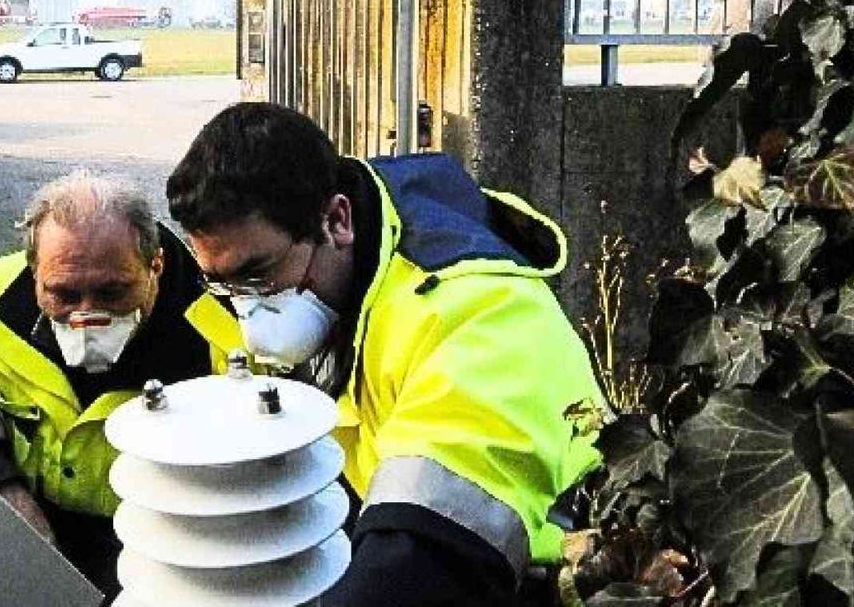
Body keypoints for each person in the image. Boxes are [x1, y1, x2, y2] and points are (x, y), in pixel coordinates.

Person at [166, 102, 605, 606]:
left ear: (336, 220)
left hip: (545, 581)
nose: (249, 313)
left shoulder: (475, 313)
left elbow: (426, 556)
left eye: (258, 276)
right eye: (224, 286)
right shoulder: (346, 279)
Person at [0, 171, 240, 596]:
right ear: (33, 271)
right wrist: (4, 496)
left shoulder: (222, 333)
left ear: (156, 265)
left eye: (112, 292)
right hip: (28, 540)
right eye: (64, 294)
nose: (86, 315)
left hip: (174, 556)